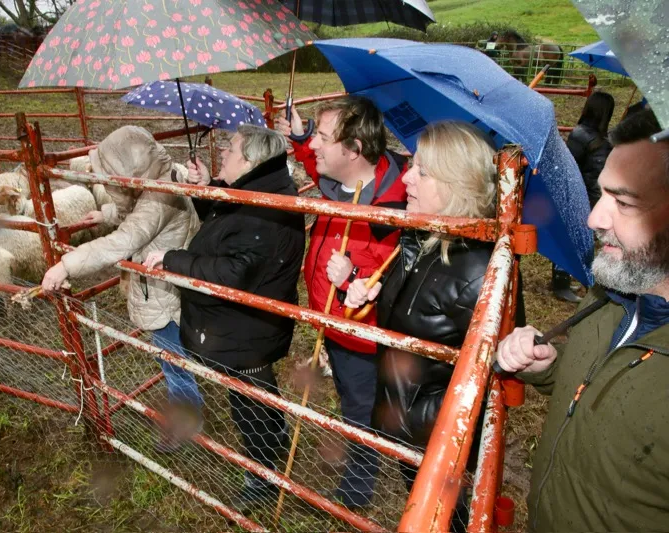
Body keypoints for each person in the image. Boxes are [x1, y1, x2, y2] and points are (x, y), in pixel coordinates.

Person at [495, 109, 669, 532]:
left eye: (623, 202)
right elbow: (608, 380)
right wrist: (551, 366)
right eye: (602, 194)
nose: (595, 218)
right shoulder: (610, 294)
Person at [344, 121, 506, 531]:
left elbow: (494, 373)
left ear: (456, 185)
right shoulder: (422, 237)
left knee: (445, 516)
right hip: (407, 424)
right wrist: (370, 291)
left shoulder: (480, 271)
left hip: (435, 437)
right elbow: (420, 316)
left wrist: (424, 421)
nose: (407, 178)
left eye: (422, 172)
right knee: (423, 503)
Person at [143, 125, 305, 512]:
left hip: (246, 324)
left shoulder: (264, 207)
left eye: (230, 150)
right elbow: (223, 227)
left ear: (250, 159)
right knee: (253, 384)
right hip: (245, 321)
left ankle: (261, 475)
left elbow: (236, 271)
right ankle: (276, 429)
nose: (224, 154)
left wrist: (173, 260)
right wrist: (209, 186)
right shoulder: (257, 189)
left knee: (245, 397)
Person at [276, 96, 407, 510]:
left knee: (359, 409)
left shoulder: (394, 212)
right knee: (356, 401)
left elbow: (392, 288)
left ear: (352, 150)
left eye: (322, 137)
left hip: (360, 338)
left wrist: (352, 277)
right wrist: (300, 136)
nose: (313, 145)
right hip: (331, 320)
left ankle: (355, 492)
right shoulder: (345, 179)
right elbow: (320, 166)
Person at [40, 126, 204, 452]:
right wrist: (105, 212)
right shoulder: (160, 181)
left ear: (129, 168)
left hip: (163, 292)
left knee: (173, 361)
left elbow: (126, 238)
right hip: (164, 288)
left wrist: (67, 265)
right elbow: (136, 209)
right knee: (172, 357)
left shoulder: (160, 197)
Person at [553, 91, 617, 304]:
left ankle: (576, 277)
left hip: (591, 194)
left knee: (584, 239)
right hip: (581, 194)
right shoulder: (582, 135)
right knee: (572, 237)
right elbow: (569, 165)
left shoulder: (596, 135)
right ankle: (560, 283)